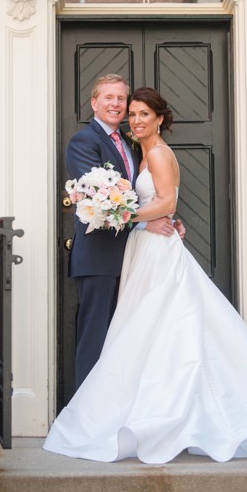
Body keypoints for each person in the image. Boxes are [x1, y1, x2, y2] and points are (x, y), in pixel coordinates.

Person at [45, 87, 247, 463]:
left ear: (159, 118)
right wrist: (145, 219)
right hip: (131, 251)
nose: (135, 119)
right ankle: (114, 414)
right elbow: (141, 199)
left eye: (142, 112)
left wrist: (135, 217)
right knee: (139, 332)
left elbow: (166, 201)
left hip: (154, 252)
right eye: (132, 113)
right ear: (94, 103)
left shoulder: (155, 152)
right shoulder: (118, 147)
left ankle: (165, 417)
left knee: (164, 330)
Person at [65, 74, 181, 389]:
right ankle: (85, 420)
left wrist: (168, 216)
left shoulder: (132, 144)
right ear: (94, 103)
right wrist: (145, 221)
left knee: (127, 341)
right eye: (109, 98)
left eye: (121, 99)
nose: (116, 104)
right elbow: (101, 203)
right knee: (95, 339)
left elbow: (148, 194)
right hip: (99, 258)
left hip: (135, 259)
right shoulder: (84, 142)